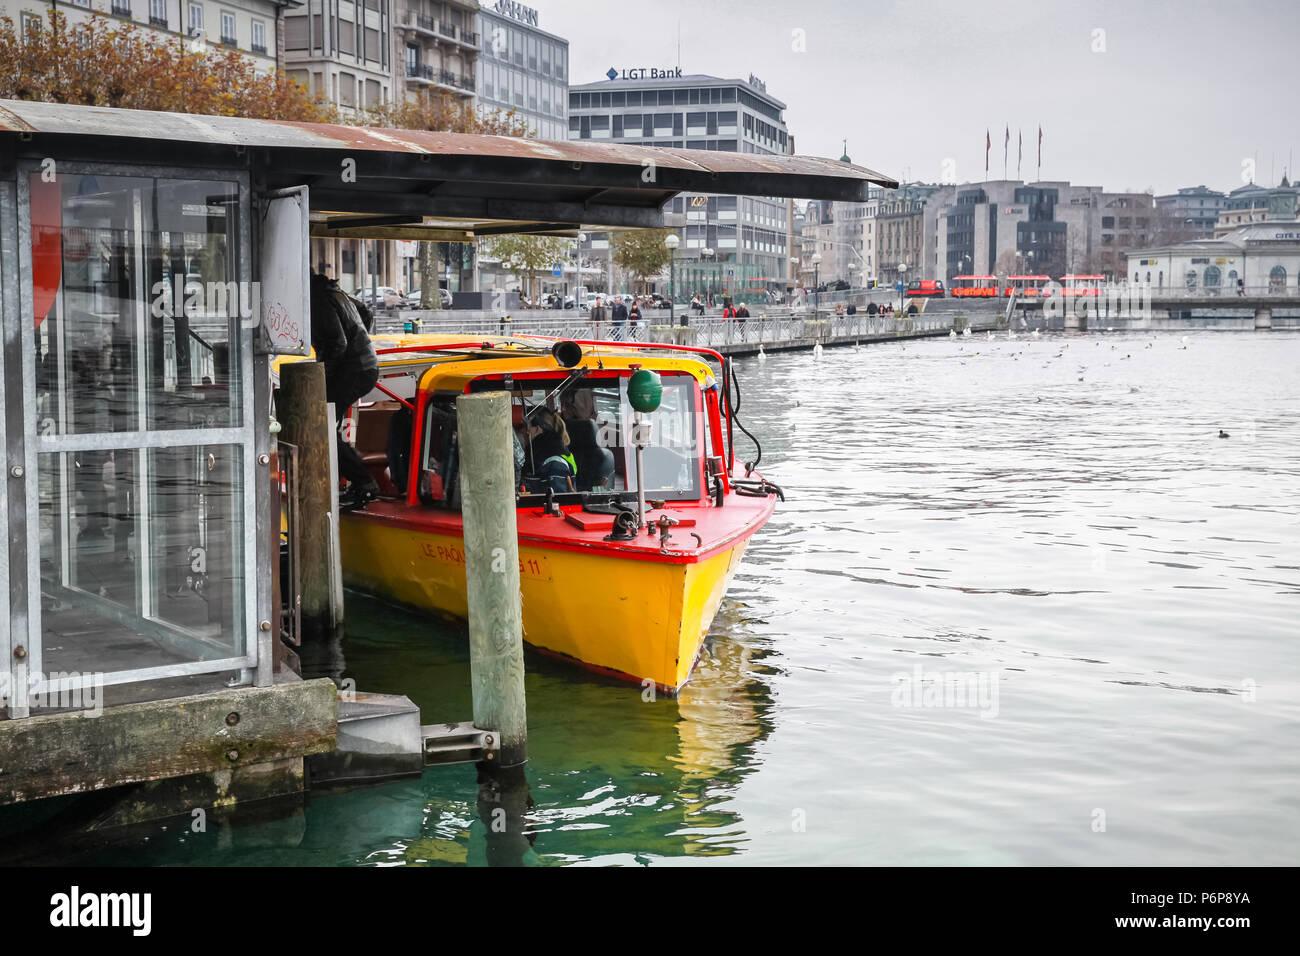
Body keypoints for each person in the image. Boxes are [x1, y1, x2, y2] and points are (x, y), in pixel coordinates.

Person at [310, 271, 380, 510]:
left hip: (353, 370)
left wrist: (322, 378)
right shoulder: (335, 292)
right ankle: (360, 479)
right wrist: (362, 340)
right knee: (327, 427)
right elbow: (365, 311)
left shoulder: (317, 298)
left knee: (321, 427)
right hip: (363, 366)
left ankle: (365, 482)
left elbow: (337, 343)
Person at [522, 406, 576, 493]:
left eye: (526, 426)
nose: (524, 431)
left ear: (538, 429)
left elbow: (558, 500)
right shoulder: (535, 456)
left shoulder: (554, 461)